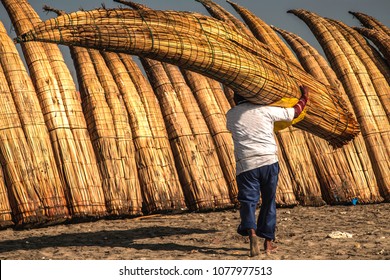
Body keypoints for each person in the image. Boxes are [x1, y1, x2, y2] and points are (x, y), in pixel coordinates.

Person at [226, 85, 309, 257]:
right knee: (269, 201)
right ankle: (268, 243)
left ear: (236, 99)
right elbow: (294, 112)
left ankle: (252, 233)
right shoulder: (266, 111)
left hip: (246, 164)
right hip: (268, 161)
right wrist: (304, 97)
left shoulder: (231, 115)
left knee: (248, 201)